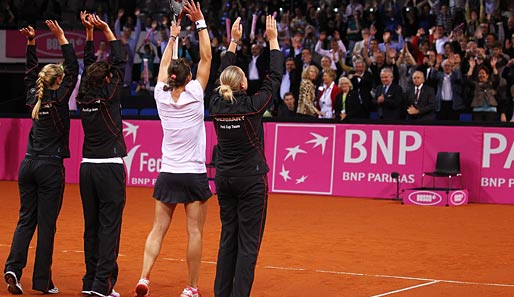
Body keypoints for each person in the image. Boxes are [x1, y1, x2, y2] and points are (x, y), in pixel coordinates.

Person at [133, 1, 212, 297]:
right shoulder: (195, 93)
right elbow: (207, 56)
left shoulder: (159, 94)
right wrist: (200, 22)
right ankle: (191, 288)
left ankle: (144, 277)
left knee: (157, 230)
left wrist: (172, 36)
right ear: (189, 77)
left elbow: (164, 68)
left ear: (170, 78)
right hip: (193, 174)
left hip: (168, 173)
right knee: (195, 232)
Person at [209, 15, 283, 297]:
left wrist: (233, 43)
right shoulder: (252, 105)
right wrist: (273, 41)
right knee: (248, 243)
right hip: (250, 181)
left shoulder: (215, 104)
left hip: (224, 179)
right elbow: (274, 78)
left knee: (229, 237)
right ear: (242, 85)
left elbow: (221, 76)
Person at [3, 20, 78, 295]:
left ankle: (13, 267)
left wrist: (32, 43)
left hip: (28, 164)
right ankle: (42, 281)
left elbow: (29, 74)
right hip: (49, 167)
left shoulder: (36, 95)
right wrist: (61, 38)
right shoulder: (58, 99)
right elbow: (73, 69)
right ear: (58, 82)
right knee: (46, 226)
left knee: (26, 220)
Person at [76, 12, 127, 297]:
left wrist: (87, 36)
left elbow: (87, 68)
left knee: (92, 227)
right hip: (108, 167)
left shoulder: (84, 96)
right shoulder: (109, 96)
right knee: (109, 228)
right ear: (107, 78)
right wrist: (106, 29)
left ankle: (89, 281)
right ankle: (100, 285)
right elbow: (120, 60)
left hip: (86, 168)